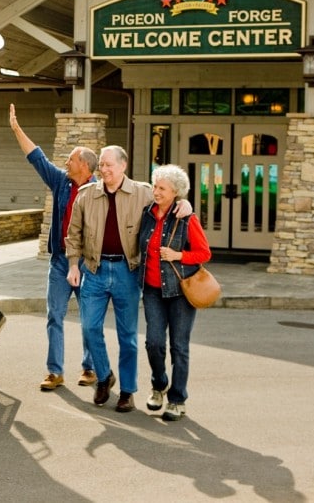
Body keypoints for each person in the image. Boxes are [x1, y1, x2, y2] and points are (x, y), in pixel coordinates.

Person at [8, 103, 97, 392]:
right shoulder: (61, 182)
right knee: (54, 315)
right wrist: (16, 128)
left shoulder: (100, 190)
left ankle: (90, 368)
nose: (66, 163)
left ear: (84, 165)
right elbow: (37, 157)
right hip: (60, 261)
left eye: (71, 160)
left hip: (89, 263)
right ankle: (55, 372)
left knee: (90, 317)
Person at [66, 145, 149, 412]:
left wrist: (183, 202)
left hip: (127, 270)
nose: (103, 169)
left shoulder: (143, 193)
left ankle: (127, 391)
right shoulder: (86, 195)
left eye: (109, 165)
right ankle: (104, 377)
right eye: (101, 165)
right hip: (94, 269)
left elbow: (170, 200)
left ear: (123, 166)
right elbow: (74, 233)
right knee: (89, 328)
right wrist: (73, 265)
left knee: (128, 336)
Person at [138, 164, 211, 422]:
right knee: (154, 343)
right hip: (152, 291)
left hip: (181, 292)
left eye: (161, 188)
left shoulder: (186, 218)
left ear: (175, 192)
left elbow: (204, 253)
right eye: (155, 186)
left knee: (179, 347)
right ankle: (159, 385)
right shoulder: (147, 213)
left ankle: (177, 399)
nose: (155, 191)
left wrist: (179, 255)